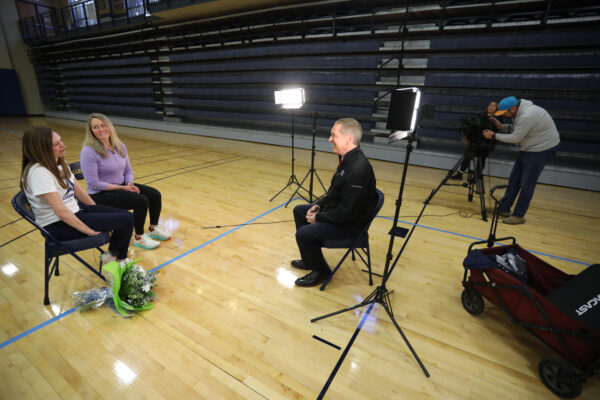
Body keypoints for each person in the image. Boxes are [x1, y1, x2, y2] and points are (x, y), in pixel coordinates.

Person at [20, 126, 134, 263]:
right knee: (125, 220)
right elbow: (61, 212)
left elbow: (79, 192)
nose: (63, 145)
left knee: (128, 216)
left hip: (76, 211)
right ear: (41, 149)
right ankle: (117, 261)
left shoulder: (60, 163)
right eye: (56, 144)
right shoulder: (39, 173)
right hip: (58, 225)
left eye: (61, 141)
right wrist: (89, 231)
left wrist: (98, 212)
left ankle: (111, 257)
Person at [291, 118, 377, 287]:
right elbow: (334, 193)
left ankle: (322, 271)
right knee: (300, 210)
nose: (330, 139)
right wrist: (319, 205)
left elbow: (347, 213)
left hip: (351, 226)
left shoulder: (358, 168)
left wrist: (320, 218)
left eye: (334, 135)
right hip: (341, 214)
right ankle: (310, 260)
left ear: (349, 139)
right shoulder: (347, 159)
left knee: (304, 234)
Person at [80, 113, 170, 250]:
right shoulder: (88, 151)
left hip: (122, 186)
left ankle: (153, 228)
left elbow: (128, 171)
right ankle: (139, 237)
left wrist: (129, 184)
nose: (100, 130)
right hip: (101, 194)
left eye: (103, 125)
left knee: (154, 194)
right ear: (91, 131)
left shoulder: (119, 145)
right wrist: (121, 188)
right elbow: (93, 183)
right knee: (141, 200)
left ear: (109, 126)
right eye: (95, 127)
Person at [483, 96, 560, 225]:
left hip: (542, 148)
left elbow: (516, 137)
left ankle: (518, 215)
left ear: (513, 108)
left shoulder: (527, 116)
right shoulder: (520, 113)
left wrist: (494, 135)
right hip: (530, 145)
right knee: (514, 179)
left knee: (526, 184)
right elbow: (517, 128)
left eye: (505, 113)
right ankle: (504, 208)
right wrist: (501, 127)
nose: (505, 116)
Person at [450, 100, 502, 180]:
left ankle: (477, 176)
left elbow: (496, 130)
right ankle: (460, 173)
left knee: (481, 159)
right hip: (476, 140)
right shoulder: (481, 115)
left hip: (486, 143)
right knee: (468, 156)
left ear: (496, 109)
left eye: (493, 106)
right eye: (490, 105)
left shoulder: (498, 119)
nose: (491, 107)